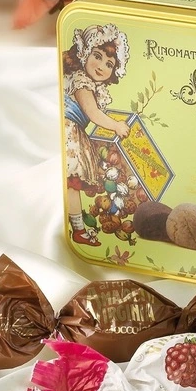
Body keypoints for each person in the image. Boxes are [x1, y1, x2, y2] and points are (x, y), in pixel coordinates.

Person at [63, 24, 130, 246]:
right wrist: (116, 126)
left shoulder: (90, 83)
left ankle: (78, 228)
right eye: (97, 56)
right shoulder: (81, 81)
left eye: (109, 64)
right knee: (71, 183)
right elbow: (92, 113)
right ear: (84, 53)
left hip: (74, 133)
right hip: (68, 134)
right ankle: (78, 230)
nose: (101, 66)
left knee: (72, 184)